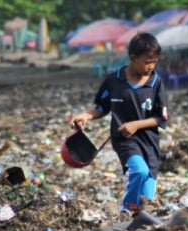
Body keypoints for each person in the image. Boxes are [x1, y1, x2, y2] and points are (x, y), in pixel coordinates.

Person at [70, 33, 169, 215]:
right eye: (147, 61)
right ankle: (126, 210)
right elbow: (102, 107)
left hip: (149, 141)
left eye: (154, 62)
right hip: (124, 140)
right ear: (133, 58)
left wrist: (136, 125)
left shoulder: (156, 82)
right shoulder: (114, 81)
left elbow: (160, 118)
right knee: (139, 171)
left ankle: (137, 225)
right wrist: (85, 116)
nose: (151, 67)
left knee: (148, 202)